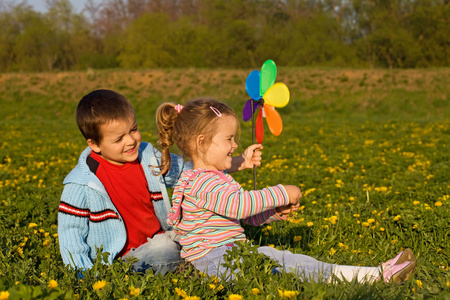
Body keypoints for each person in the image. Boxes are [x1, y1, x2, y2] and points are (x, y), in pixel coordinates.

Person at [155, 98, 416, 284]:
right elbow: (240, 206)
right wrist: (281, 192)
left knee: (286, 261)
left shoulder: (210, 178)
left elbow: (241, 218)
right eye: (229, 139)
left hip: (223, 257)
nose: (235, 145)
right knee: (286, 263)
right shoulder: (202, 182)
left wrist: (273, 212)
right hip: (214, 263)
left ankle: (369, 274)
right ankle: (370, 277)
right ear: (202, 143)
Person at [57, 90, 262, 275]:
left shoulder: (147, 157)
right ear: (94, 144)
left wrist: (239, 162)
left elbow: (190, 169)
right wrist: (81, 273)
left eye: (133, 129)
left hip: (164, 239)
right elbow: (71, 234)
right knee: (163, 249)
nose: (130, 140)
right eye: (119, 139)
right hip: (123, 260)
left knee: (193, 236)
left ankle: (216, 258)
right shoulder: (82, 182)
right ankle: (194, 266)